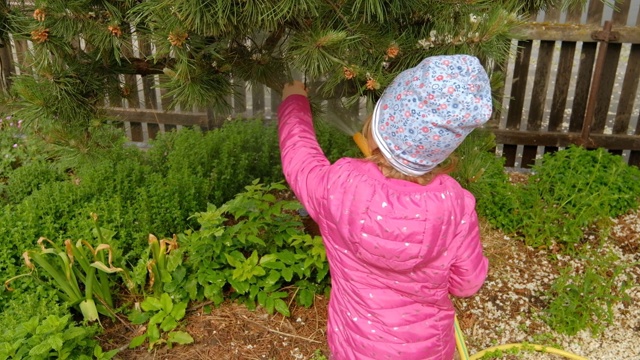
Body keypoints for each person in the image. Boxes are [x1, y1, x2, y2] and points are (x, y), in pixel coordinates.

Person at [277, 54, 491, 360]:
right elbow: (466, 283)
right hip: (429, 350)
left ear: (377, 129)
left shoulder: (339, 187)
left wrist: (294, 101)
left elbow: (298, 156)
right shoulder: (456, 206)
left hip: (355, 348)